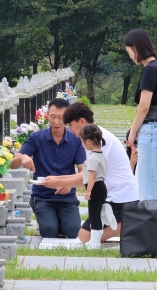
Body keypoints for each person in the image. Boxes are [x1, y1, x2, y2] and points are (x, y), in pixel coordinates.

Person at [42, 102, 139, 243]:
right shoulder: (93, 138)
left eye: (70, 125)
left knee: (86, 238)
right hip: (111, 196)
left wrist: (58, 181)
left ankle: (130, 221)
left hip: (121, 197)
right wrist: (61, 179)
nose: (70, 130)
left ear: (82, 121)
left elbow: (89, 176)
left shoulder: (100, 139)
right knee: (84, 235)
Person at [10, 98, 86, 238]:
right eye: (52, 117)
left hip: (67, 197)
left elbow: (83, 171)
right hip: (43, 197)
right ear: (47, 116)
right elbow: (12, 165)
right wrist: (22, 157)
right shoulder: (36, 138)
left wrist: (70, 185)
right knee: (49, 231)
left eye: (61, 117)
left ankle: (60, 223)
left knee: (73, 231)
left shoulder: (75, 140)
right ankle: (48, 222)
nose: (56, 122)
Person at [124, 28, 157, 201]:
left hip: (152, 132)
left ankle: (154, 228)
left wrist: (133, 131)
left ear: (136, 48)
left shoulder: (150, 70)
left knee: (149, 193)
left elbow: (144, 106)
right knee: (156, 188)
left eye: (129, 51)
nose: (130, 56)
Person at [79, 124, 109, 249]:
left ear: (88, 141)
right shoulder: (102, 156)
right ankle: (95, 240)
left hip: (96, 187)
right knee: (97, 215)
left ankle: (95, 242)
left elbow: (93, 174)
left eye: (82, 141)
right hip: (102, 187)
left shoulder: (92, 158)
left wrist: (88, 191)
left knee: (93, 215)